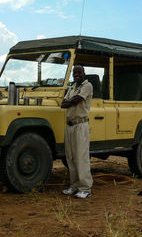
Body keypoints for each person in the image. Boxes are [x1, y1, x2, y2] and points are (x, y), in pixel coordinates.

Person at [61, 65, 93, 198]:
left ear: (84, 73)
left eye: (79, 72)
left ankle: (85, 188)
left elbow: (76, 100)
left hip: (80, 125)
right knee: (71, 158)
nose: (77, 74)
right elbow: (63, 103)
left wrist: (69, 101)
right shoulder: (72, 87)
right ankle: (74, 186)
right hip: (69, 125)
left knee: (81, 157)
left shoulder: (87, 86)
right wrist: (69, 101)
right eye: (75, 72)